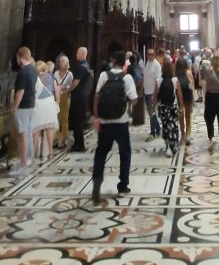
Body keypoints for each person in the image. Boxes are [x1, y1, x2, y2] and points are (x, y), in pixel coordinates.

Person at [91, 50, 138, 203]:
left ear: (112, 62)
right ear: (124, 63)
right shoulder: (127, 77)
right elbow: (134, 99)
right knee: (125, 153)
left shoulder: (104, 75)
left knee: (101, 153)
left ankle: (97, 183)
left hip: (105, 122)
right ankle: (123, 184)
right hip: (121, 122)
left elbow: (96, 96)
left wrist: (96, 117)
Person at [10, 47, 38, 175]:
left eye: (17, 58)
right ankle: (28, 160)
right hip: (31, 104)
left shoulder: (23, 72)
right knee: (27, 133)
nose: (16, 61)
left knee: (21, 136)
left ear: (20, 57)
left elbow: (20, 92)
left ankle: (23, 167)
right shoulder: (33, 69)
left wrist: (14, 107)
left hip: (22, 107)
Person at [32, 60, 60, 160]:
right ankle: (50, 153)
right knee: (49, 130)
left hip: (39, 104)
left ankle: (33, 154)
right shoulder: (51, 77)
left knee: (36, 131)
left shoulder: (35, 78)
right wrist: (57, 102)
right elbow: (56, 90)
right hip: (49, 104)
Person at [201, 51, 219, 150]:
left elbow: (204, 83)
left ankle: (214, 138)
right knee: (217, 120)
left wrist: (204, 96)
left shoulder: (209, 70)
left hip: (213, 96)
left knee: (212, 119)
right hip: (218, 97)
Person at [68, 46, 92, 152]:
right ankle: (78, 143)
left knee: (76, 121)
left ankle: (79, 144)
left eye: (78, 53)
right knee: (77, 121)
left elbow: (76, 82)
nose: (76, 55)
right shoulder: (85, 65)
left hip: (78, 97)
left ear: (82, 54)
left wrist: (68, 90)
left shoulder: (82, 67)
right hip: (80, 96)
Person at [157, 58, 183, 156]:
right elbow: (179, 94)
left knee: (165, 125)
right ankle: (173, 145)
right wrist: (181, 106)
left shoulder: (159, 80)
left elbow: (155, 95)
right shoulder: (175, 80)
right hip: (173, 106)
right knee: (173, 125)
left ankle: (168, 145)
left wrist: (154, 106)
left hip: (163, 107)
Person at [53, 55, 73, 149]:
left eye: (63, 62)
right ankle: (57, 139)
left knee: (64, 118)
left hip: (65, 96)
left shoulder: (69, 74)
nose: (61, 63)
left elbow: (70, 86)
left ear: (67, 63)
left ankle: (64, 138)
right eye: (60, 62)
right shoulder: (56, 73)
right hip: (57, 96)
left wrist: (63, 88)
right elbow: (54, 84)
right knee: (56, 117)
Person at [143, 48, 162, 140]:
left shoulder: (156, 65)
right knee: (151, 113)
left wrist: (155, 95)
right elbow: (145, 78)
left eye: (152, 54)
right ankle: (158, 129)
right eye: (148, 54)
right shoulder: (146, 63)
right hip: (146, 91)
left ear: (154, 55)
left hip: (152, 93)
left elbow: (157, 81)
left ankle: (152, 133)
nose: (150, 56)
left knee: (152, 113)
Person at [175, 56, 194, 143]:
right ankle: (186, 135)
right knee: (186, 116)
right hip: (185, 96)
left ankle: (184, 134)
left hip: (181, 96)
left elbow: (192, 85)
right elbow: (191, 86)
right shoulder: (186, 72)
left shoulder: (177, 73)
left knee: (183, 115)